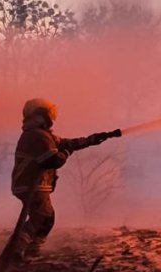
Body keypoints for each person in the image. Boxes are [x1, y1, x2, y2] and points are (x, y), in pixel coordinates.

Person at [11, 98, 121, 258]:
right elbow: (52, 160)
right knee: (41, 218)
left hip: (31, 185)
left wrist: (94, 139)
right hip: (32, 185)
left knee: (46, 218)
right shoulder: (37, 136)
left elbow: (67, 143)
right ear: (42, 115)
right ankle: (17, 250)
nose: (52, 119)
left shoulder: (41, 135)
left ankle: (29, 248)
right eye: (49, 114)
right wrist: (66, 154)